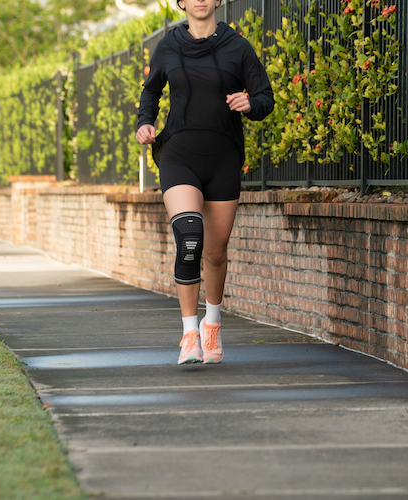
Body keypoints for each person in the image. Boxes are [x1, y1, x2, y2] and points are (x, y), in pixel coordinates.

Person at [135, 0, 274, 364]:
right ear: (181, 2)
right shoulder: (167, 45)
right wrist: (144, 122)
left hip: (224, 158)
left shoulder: (237, 46)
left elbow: (265, 97)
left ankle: (212, 326)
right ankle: (189, 333)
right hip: (179, 154)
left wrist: (250, 103)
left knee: (215, 252)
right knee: (190, 238)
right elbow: (151, 91)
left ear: (216, 2)